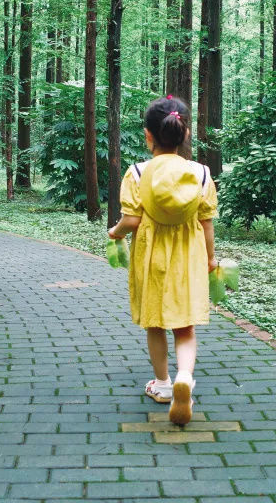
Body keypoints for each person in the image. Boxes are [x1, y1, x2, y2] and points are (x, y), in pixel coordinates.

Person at [107, 96, 217, 426]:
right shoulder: (200, 174)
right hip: (188, 257)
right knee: (185, 327)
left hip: (151, 256)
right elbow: (206, 223)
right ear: (184, 134)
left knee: (155, 321)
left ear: (148, 136)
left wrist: (114, 233)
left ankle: (164, 384)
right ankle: (185, 376)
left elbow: (133, 221)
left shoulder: (138, 173)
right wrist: (210, 259)